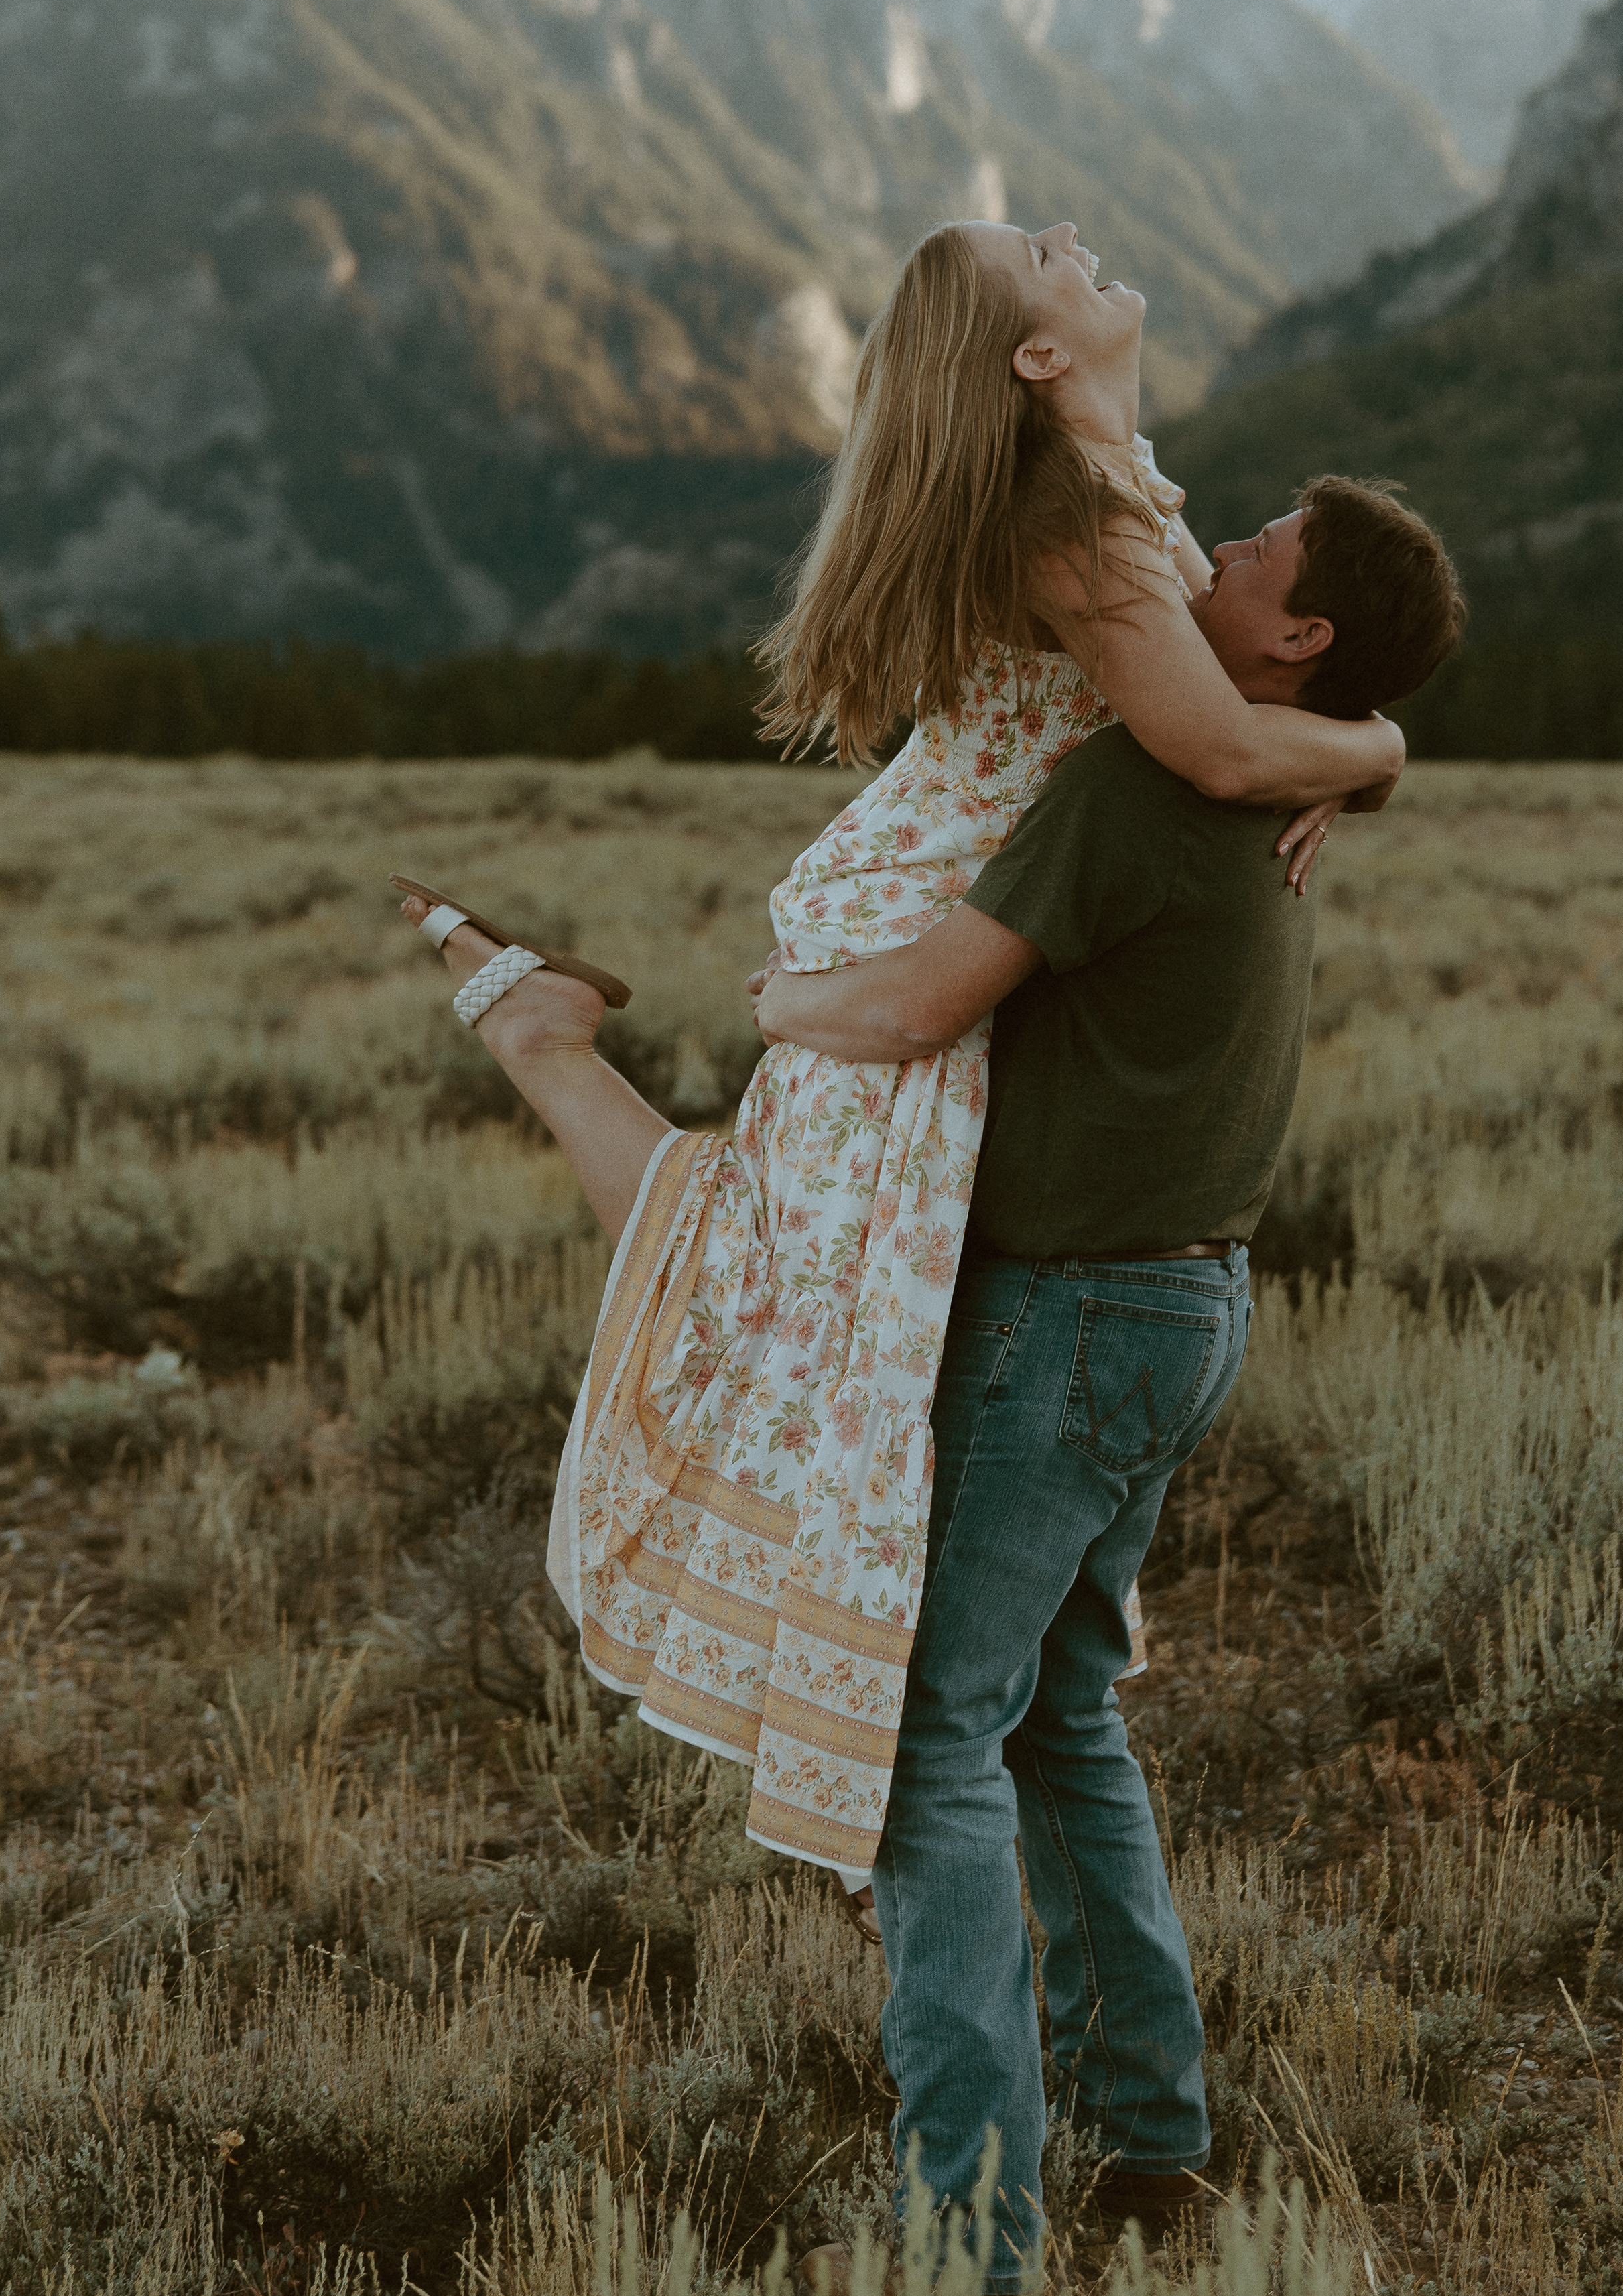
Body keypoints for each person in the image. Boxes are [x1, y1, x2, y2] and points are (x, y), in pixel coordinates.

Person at [396, 219, 1401, 1892]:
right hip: (927, 927)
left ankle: (542, 1030)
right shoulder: (1079, 521)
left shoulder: (1117, 483)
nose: (1075, 237)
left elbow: (1228, 724)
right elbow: (1222, 748)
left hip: (943, 908)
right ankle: (542, 1040)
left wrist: (1350, 758)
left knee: (774, 1257)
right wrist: (1377, 746)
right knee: (767, 1276)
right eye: (1043, 253)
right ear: (1037, 357)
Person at [750, 468, 1466, 2296]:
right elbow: (1345, 744)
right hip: (1185, 1308)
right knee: (1059, 1716)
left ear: (1297, 637)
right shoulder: (1268, 779)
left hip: (1066, 1324)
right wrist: (1375, 750)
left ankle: (972, 2246)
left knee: (929, 1749)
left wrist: (778, 1004)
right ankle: (1153, 2141)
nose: (1215, 548)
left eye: (1260, 552)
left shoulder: (1145, 787)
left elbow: (916, 1005)